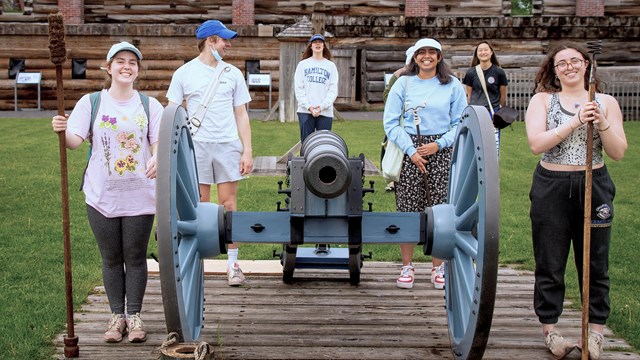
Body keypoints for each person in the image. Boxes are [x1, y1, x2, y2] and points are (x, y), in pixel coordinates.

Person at [51, 41, 163, 343]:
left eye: (132, 62)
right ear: (108, 67)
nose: (127, 66)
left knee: (136, 257)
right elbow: (74, 141)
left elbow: (159, 142)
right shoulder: (92, 102)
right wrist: (62, 130)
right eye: (120, 61)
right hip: (102, 195)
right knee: (111, 257)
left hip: (140, 194)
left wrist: (156, 157)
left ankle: (135, 316)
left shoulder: (150, 105)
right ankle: (117, 317)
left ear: (138, 70)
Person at [525, 42, 627, 360]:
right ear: (554, 71)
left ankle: (594, 335)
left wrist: (601, 122)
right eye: (562, 63)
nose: (569, 66)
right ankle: (551, 331)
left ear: (586, 65)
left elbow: (618, 151)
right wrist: (574, 121)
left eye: (575, 60)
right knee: (551, 262)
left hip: (594, 184)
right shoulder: (543, 100)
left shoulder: (605, 101)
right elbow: (536, 143)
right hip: (551, 185)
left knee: (595, 263)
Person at [166, 20, 253, 286]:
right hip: (197, 146)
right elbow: (172, 112)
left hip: (227, 144)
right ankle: (196, 264)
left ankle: (233, 264)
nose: (228, 45)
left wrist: (247, 150)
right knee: (198, 206)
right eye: (224, 40)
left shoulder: (233, 73)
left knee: (228, 205)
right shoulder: (184, 73)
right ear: (209, 41)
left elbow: (241, 114)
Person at [383, 38, 467, 290]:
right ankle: (407, 266)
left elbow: (460, 123)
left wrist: (438, 145)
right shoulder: (403, 83)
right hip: (410, 148)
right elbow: (390, 122)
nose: (427, 57)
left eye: (432, 52)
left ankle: (437, 267)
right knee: (408, 207)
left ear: (440, 57)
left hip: (440, 150)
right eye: (422, 53)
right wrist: (411, 150)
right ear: (415, 57)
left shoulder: (452, 86)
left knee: (440, 210)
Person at [462, 41, 509, 155]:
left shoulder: (499, 72)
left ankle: (492, 170)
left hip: (492, 112)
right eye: (480, 50)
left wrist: (498, 109)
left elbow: (503, 95)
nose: (483, 52)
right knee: (474, 143)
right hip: (476, 113)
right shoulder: (471, 73)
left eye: (486, 49)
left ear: (491, 52)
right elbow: (469, 95)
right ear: (477, 54)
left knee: (493, 145)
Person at [381, 46, 416, 192]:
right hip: (400, 118)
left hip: (417, 121)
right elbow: (386, 95)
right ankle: (392, 180)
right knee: (393, 146)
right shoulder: (399, 76)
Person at [294, 33, 339, 143]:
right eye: (315, 42)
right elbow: (299, 89)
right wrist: (309, 107)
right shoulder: (302, 65)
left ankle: (322, 161)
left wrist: (322, 106)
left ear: (324, 46)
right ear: (311, 45)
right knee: (306, 144)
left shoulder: (331, 66)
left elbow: (333, 90)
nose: (317, 44)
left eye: (320, 42)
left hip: (325, 112)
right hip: (305, 111)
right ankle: (306, 161)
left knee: (323, 144)